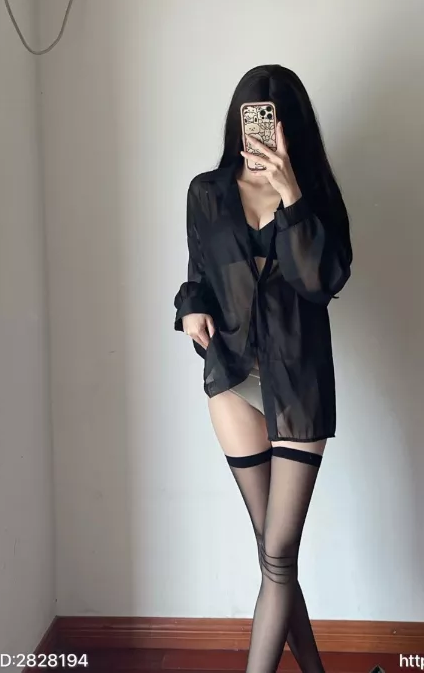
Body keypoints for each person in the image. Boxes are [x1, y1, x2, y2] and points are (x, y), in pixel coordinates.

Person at [173, 64, 352, 673]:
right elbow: (198, 276)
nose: (263, 135)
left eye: (274, 124)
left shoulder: (316, 196)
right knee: (273, 552)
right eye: (254, 122)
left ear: (290, 129)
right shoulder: (207, 193)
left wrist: (291, 195)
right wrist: (191, 311)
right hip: (231, 377)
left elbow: (322, 282)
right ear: (239, 124)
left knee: (278, 553)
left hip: (299, 382)